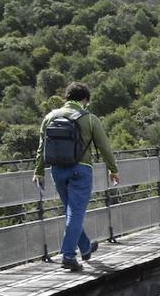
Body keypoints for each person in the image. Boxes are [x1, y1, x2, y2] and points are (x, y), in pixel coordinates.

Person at [33, 82, 120, 272]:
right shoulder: (90, 119)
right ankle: (68, 255)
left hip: (57, 170)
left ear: (67, 97)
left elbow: (41, 148)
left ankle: (86, 247)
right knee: (76, 212)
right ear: (84, 100)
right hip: (81, 170)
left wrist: (38, 171)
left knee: (71, 211)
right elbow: (104, 146)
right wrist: (113, 169)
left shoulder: (49, 117)